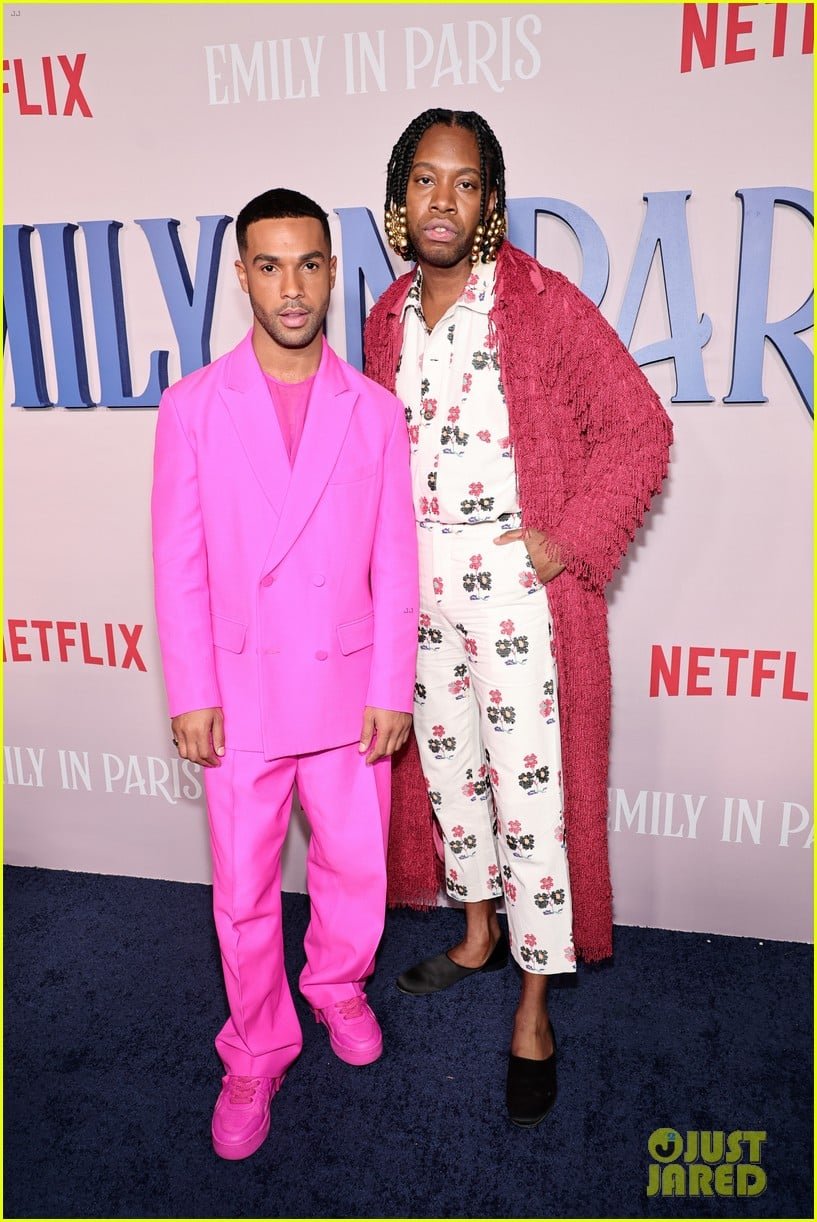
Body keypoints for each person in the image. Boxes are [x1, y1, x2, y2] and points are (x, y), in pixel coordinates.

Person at [364, 110, 672, 1126]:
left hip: (511, 595)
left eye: (464, 183)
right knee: (449, 777)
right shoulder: (385, 316)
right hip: (419, 595)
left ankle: (534, 1005)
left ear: (489, 202)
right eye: (424, 179)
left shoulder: (538, 302)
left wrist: (565, 539)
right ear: (399, 198)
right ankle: (475, 933)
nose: (442, 201)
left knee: (530, 802)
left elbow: (637, 427)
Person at [151, 188, 418, 1160]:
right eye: (269, 266)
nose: (291, 287)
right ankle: (256, 1048)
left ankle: (337, 984)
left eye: (308, 264)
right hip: (240, 695)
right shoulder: (192, 408)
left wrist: (391, 684)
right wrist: (191, 692)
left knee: (355, 867)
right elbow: (178, 561)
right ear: (242, 277)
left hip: (348, 692)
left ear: (332, 272)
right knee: (242, 891)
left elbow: (396, 562)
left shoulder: (374, 411)